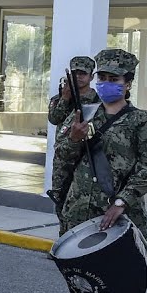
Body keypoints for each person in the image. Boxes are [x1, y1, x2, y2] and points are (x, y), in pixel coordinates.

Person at [55, 48, 147, 293]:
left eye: (113, 79)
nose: (105, 83)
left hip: (116, 213)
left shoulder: (142, 121)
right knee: (84, 278)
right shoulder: (84, 113)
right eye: (102, 77)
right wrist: (74, 138)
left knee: (112, 280)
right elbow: (62, 154)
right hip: (78, 210)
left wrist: (121, 201)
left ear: (128, 83)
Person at [47, 55, 101, 228]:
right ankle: (64, 238)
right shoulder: (60, 98)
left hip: (85, 157)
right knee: (60, 197)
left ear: (91, 77)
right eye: (75, 73)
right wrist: (65, 98)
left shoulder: (98, 102)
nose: (78, 77)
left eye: (83, 73)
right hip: (63, 157)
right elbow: (54, 119)